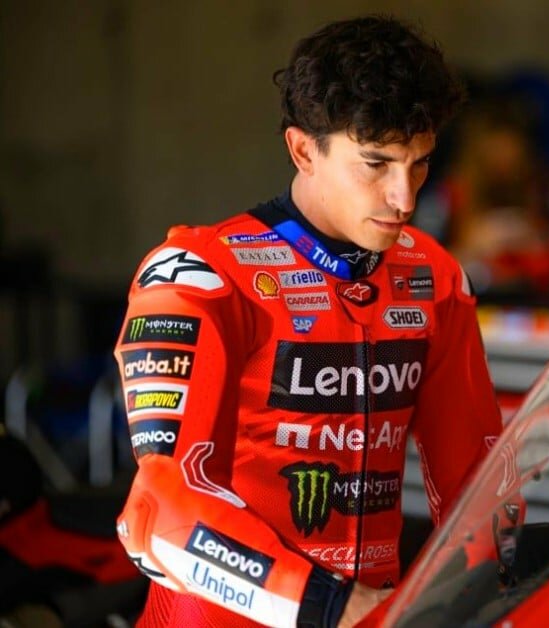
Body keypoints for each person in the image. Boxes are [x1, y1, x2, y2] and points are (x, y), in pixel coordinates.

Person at [113, 16, 502, 628]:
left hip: (375, 614)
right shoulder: (199, 276)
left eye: (419, 163)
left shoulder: (435, 275)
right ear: (302, 150)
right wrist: (329, 606)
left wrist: (502, 572)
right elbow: (159, 508)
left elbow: (476, 484)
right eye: (375, 163)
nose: (405, 197)